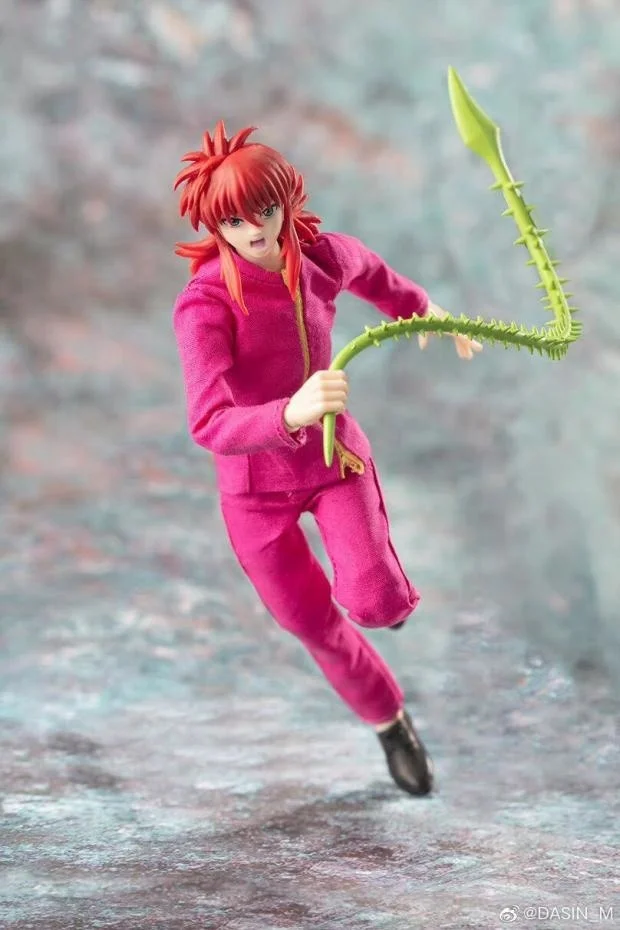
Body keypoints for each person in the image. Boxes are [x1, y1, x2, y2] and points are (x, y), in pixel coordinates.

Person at [172, 121, 482, 797]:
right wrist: (288, 413)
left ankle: (384, 596)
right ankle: (390, 720)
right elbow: (208, 421)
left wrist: (427, 311)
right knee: (310, 623)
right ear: (216, 227)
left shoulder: (321, 258)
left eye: (265, 210)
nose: (256, 230)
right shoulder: (204, 304)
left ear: (286, 201)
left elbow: (374, 273)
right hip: (254, 489)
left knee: (374, 600)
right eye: (234, 221)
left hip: (334, 457)